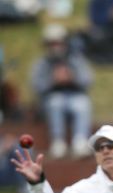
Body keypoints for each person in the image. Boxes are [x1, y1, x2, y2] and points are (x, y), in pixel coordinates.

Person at [30, 24, 93, 159]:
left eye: (58, 43)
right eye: (51, 44)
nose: (55, 47)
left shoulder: (76, 60)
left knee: (83, 103)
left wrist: (72, 78)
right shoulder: (41, 63)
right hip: (51, 100)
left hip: (75, 96)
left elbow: (87, 80)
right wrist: (53, 81)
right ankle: (58, 141)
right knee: (55, 102)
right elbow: (36, 86)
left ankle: (80, 141)